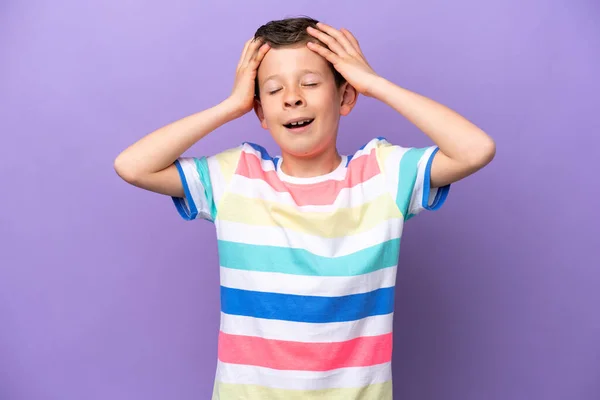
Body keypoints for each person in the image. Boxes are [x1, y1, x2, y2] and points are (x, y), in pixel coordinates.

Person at [114, 16, 495, 400]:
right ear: (260, 112)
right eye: (274, 89)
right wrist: (230, 106)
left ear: (345, 97)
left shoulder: (383, 174)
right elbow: (133, 166)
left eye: (310, 83)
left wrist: (374, 84)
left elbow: (475, 150)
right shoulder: (235, 177)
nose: (292, 96)